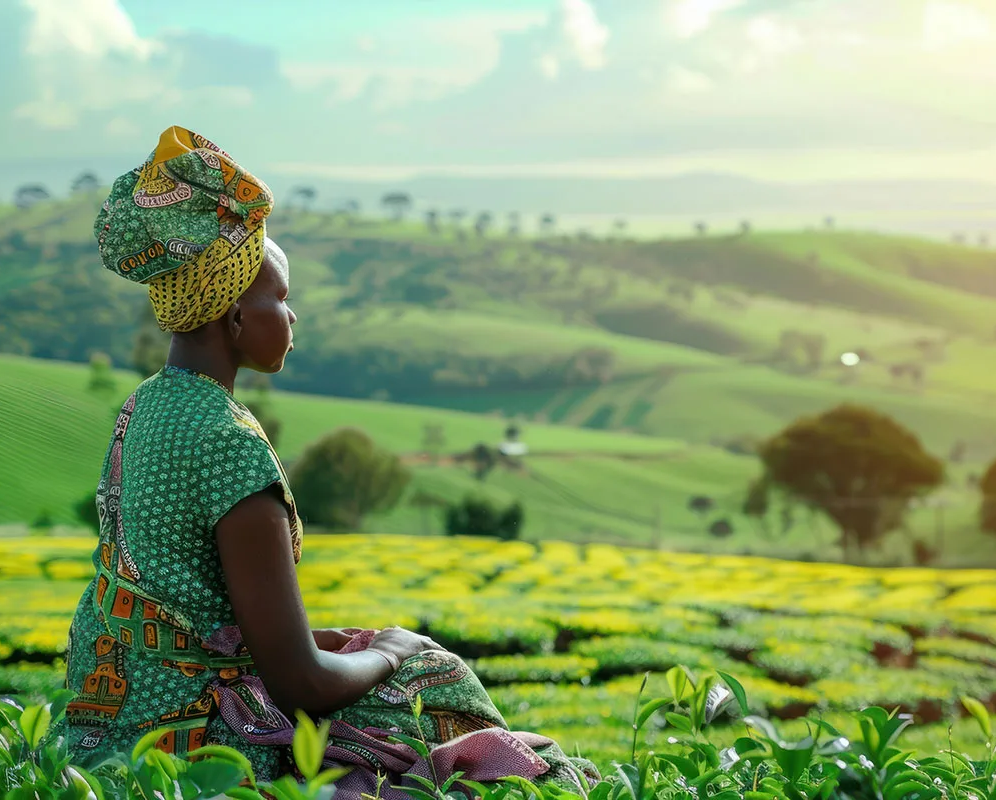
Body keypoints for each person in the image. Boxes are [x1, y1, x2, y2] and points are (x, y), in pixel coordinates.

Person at [58, 126, 597, 798]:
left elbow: (183, 599)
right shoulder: (228, 445)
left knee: (407, 675)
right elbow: (302, 686)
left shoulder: (145, 408)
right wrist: (394, 650)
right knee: (435, 673)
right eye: (280, 300)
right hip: (203, 745)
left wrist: (331, 643)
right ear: (230, 316)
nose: (292, 318)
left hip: (114, 719)